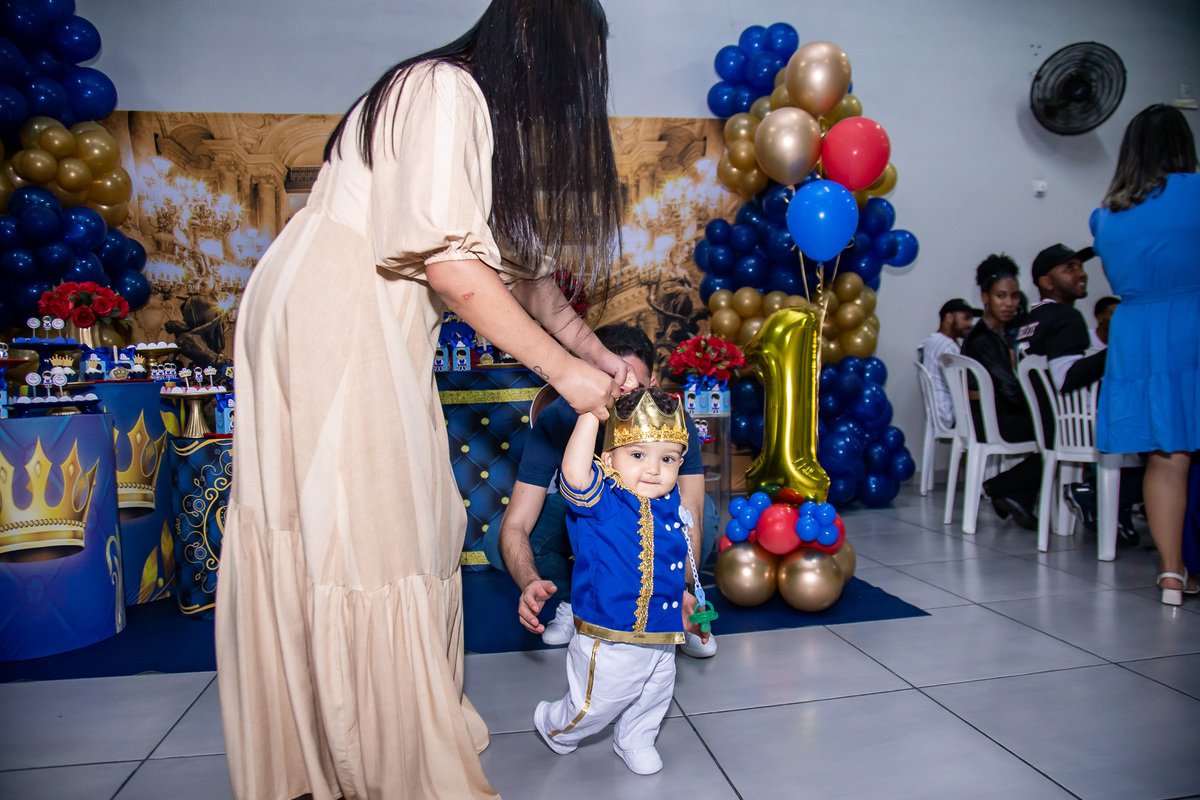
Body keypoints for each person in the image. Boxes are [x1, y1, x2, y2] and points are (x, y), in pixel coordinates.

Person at [214, 3, 630, 798]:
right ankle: (380, 758)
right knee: (370, 530)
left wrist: (597, 357)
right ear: (536, 41)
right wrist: (564, 376)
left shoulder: (481, 117)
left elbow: (528, 280)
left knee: (392, 522)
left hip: (355, 308)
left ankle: (359, 735)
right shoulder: (444, 89)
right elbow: (451, 267)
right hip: (339, 311)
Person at [493, 323, 718, 657]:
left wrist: (679, 593)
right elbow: (516, 524)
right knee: (499, 540)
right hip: (596, 516)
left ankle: (668, 610)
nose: (620, 400)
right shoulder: (558, 418)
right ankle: (576, 600)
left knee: (705, 517)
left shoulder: (673, 421)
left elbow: (693, 508)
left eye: (632, 387)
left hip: (659, 516)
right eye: (611, 387)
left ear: (652, 385)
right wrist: (529, 583)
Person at [534, 387, 709, 776]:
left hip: (661, 632)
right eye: (638, 455)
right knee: (598, 702)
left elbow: (670, 563)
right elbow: (574, 473)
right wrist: (590, 413)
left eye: (667, 459)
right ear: (609, 459)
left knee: (655, 693)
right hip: (610, 633)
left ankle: (636, 738)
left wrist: (682, 598)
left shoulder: (671, 506)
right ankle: (555, 725)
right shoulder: (605, 500)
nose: (653, 470)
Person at [1091, 103, 1200, 605]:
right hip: (1191, 320)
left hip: (1137, 334)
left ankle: (1171, 573)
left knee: (1165, 456)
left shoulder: (1105, 218)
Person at [961, 254, 1041, 529]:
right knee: (1059, 433)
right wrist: (1042, 405)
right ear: (985, 297)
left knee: (1055, 431)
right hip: (992, 421)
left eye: (1015, 297)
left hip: (992, 416)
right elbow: (1010, 388)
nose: (1009, 303)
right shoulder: (983, 339)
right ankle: (1002, 486)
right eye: (1001, 296)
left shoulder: (998, 335)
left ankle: (1017, 495)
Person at [1015, 244, 1105, 393]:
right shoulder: (1065, 316)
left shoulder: (1029, 319)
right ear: (1047, 282)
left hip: (1036, 406)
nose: (1082, 273)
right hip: (1064, 407)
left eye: (1080, 266)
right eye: (1070, 268)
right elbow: (1063, 379)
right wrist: (1115, 352)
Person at [917, 298, 980, 428]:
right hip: (950, 415)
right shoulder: (947, 347)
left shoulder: (931, 342)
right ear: (949, 318)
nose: (970, 324)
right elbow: (963, 387)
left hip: (938, 414)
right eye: (966, 318)